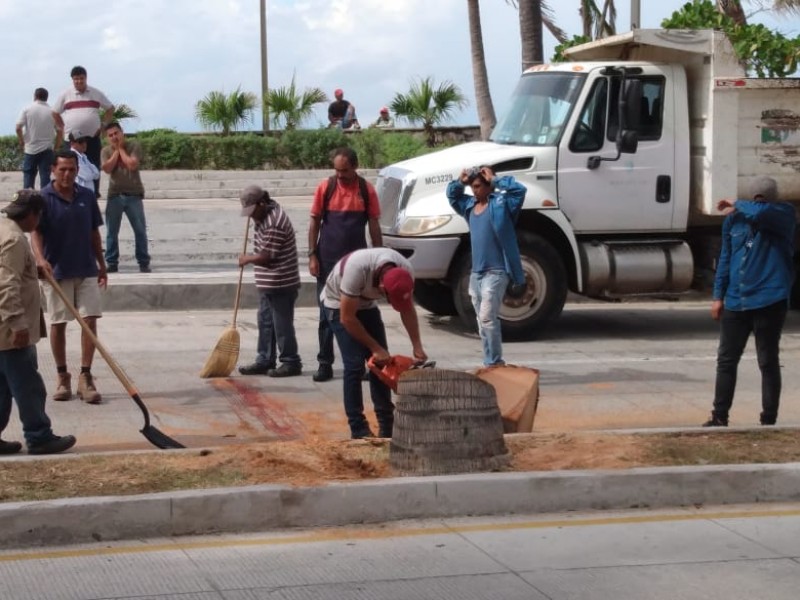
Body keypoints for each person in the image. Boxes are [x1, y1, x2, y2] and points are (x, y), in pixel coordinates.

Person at [702, 176, 796, 427]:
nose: (758, 203)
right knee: (726, 359)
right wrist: (717, 296)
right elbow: (725, 258)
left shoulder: (783, 214)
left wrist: (737, 202)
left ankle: (769, 418)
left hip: (769, 298)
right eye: (756, 198)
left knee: (767, 360)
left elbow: (763, 214)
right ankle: (719, 415)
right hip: (736, 299)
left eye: (762, 199)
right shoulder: (734, 221)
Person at [0, 190, 77, 455]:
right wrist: (17, 323)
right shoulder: (12, 239)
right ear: (32, 214)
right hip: (9, 330)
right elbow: (6, 285)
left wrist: (35, 270)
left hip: (5, 328)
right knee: (28, 386)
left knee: (2, 387)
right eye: (39, 215)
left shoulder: (5, 229)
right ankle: (39, 436)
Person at [321, 247, 427, 439]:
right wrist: (375, 348)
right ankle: (358, 428)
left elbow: (408, 310)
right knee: (354, 366)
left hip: (366, 303)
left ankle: (387, 424)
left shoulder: (405, 271)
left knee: (382, 364)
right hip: (338, 304)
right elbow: (347, 318)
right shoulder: (357, 269)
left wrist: (417, 345)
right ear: (381, 287)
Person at [31, 151, 107, 405]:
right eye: (62, 169)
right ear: (53, 169)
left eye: (72, 169)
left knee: (90, 321)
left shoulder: (86, 195)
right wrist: (40, 260)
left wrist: (102, 265)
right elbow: (35, 233)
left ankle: (85, 377)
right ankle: (62, 375)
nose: (67, 174)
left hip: (85, 268)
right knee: (59, 322)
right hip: (56, 272)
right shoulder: (43, 197)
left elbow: (94, 232)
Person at [307, 147, 382, 382]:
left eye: (345, 171)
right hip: (327, 261)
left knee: (361, 314)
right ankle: (324, 364)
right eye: (337, 170)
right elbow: (314, 223)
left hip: (357, 265)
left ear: (355, 167)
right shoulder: (325, 188)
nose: (340, 175)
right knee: (326, 316)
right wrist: (312, 255)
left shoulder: (366, 190)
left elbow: (373, 225)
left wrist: (379, 258)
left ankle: (367, 363)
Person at [446, 166, 526, 366]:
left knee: (488, 318)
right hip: (477, 273)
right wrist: (460, 182)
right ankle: (489, 359)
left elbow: (519, 191)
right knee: (482, 322)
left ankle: (494, 362)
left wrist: (496, 179)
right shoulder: (469, 207)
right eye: (472, 187)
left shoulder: (501, 204)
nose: (475, 190)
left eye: (479, 186)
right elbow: (452, 196)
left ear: (489, 186)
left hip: (497, 272)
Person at [237, 185, 303, 378]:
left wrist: (247, 259)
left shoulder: (274, 222)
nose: (250, 216)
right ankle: (264, 359)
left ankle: (290, 362)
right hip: (269, 282)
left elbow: (267, 256)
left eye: (252, 211)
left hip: (281, 281)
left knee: (282, 325)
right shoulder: (262, 216)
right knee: (265, 321)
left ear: (262, 203)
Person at [52, 66, 114, 197]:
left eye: (81, 78)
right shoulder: (65, 94)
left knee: (93, 164)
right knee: (69, 165)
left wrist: (103, 125)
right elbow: (55, 112)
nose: (79, 81)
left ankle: (94, 193)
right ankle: (69, 193)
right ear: (72, 80)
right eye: (76, 79)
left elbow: (110, 108)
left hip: (91, 137)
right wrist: (61, 127)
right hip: (71, 140)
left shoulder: (96, 93)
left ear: (86, 78)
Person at [101, 122, 151, 273]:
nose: (114, 137)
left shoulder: (134, 146)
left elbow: (132, 164)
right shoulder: (105, 151)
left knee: (140, 230)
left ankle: (143, 262)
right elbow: (107, 168)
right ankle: (112, 262)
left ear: (122, 132)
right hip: (114, 195)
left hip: (133, 195)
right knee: (111, 232)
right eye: (110, 135)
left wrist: (121, 149)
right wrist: (116, 151)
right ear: (107, 138)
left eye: (116, 133)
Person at [15, 88, 62, 189]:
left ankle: (28, 201)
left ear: (35, 96)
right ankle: (45, 200)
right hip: (47, 149)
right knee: (45, 176)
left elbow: (18, 127)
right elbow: (60, 131)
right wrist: (56, 147)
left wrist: (21, 141)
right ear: (46, 98)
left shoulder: (27, 109)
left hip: (30, 148)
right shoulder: (52, 111)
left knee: (29, 175)